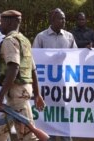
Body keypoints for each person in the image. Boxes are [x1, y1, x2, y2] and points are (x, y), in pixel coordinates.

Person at [0, 10, 46, 141]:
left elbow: (14, 68)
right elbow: (33, 69)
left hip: (17, 94)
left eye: (2, 22)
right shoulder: (24, 40)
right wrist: (37, 94)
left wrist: (0, 96)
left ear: (9, 22)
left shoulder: (10, 41)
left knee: (28, 136)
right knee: (1, 132)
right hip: (18, 93)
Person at [32, 8, 76, 141]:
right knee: (47, 113)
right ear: (52, 20)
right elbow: (34, 59)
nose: (63, 21)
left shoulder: (69, 36)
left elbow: (75, 56)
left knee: (64, 113)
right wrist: (50, 58)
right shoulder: (41, 37)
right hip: (46, 84)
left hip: (63, 82)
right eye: (60, 18)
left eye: (64, 18)